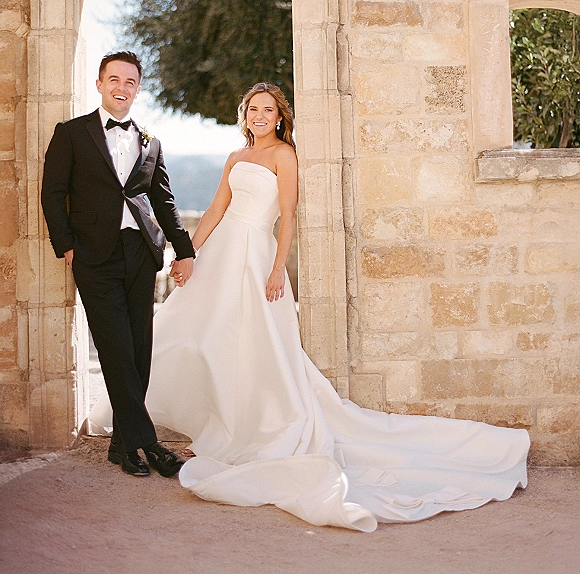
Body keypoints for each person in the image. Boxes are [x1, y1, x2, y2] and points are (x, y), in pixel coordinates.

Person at [90, 82, 530, 532]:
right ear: (245, 117)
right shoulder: (235, 158)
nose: (259, 116)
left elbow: (288, 213)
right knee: (196, 337)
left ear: (280, 117)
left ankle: (244, 434)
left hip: (258, 257)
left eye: (267, 110)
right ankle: (211, 429)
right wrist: (189, 255)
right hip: (222, 254)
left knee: (256, 347)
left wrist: (279, 267)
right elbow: (215, 211)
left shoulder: (284, 155)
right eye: (252, 110)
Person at [42, 51, 195, 478]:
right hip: (94, 255)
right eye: (114, 79)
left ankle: (121, 446)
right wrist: (67, 246)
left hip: (141, 254)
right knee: (114, 349)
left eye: (130, 81)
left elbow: (162, 200)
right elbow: (53, 193)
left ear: (138, 89)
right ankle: (149, 445)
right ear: (99, 84)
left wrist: (185, 250)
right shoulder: (72, 133)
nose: (121, 88)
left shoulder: (152, 140)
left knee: (139, 352)